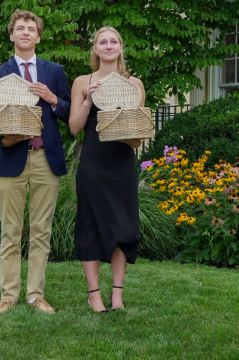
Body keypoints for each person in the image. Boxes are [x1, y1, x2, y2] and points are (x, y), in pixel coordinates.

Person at [0, 9, 71, 315]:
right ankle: (8, 296)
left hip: (45, 161)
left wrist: (51, 98)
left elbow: (68, 112)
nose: (26, 32)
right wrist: (5, 140)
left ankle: (36, 295)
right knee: (11, 231)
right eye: (20, 28)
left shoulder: (54, 72)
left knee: (41, 231)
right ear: (11, 35)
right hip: (12, 160)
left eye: (31, 29)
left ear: (38, 36)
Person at [69, 26, 144, 312]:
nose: (109, 45)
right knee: (91, 225)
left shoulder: (134, 84)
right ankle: (94, 294)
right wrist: (89, 100)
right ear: (96, 49)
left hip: (121, 162)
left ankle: (117, 293)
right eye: (103, 41)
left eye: (114, 41)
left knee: (122, 226)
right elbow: (75, 128)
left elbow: (137, 137)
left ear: (120, 48)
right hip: (93, 163)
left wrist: (119, 122)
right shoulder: (81, 81)